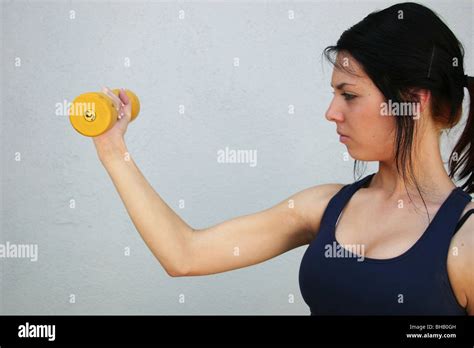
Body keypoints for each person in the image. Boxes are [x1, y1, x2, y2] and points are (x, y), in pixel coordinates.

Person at [92, 2, 473, 315]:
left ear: (413, 102)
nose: (331, 112)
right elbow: (184, 253)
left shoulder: (465, 242)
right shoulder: (323, 207)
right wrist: (112, 149)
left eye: (350, 95)